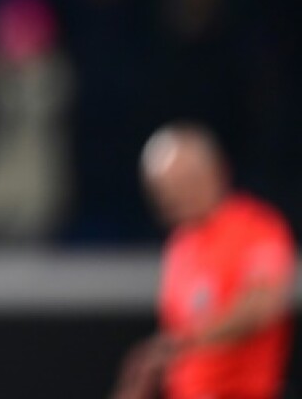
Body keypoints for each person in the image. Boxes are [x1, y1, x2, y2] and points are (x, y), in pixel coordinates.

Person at [112, 122, 296, 399]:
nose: (174, 196)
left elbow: (262, 304)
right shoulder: (179, 246)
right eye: (163, 189)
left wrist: (186, 341)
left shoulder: (257, 228)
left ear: (217, 171)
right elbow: (178, 335)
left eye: (185, 182)